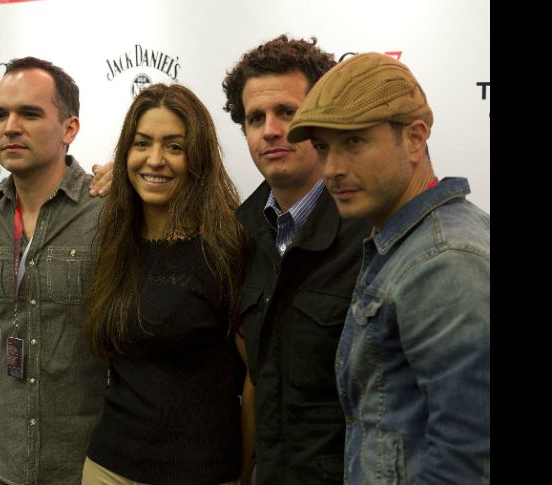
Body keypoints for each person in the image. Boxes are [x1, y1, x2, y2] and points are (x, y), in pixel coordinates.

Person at [287, 51, 490, 483]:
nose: (332, 169)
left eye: (354, 142)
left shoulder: (445, 260)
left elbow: (468, 460)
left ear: (415, 138)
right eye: (323, 147)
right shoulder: (406, 239)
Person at [221, 35, 372, 484]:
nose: (269, 130)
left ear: (322, 122)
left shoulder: (372, 233)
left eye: (287, 113)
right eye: (255, 118)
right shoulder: (241, 234)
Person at [81, 83, 249, 485]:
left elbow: (255, 376)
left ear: (199, 158)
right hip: (107, 467)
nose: (154, 160)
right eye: (142, 143)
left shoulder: (227, 248)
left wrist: (242, 474)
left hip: (199, 472)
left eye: (174, 146)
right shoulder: (113, 237)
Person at [0, 56, 108, 485]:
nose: (10, 126)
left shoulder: (109, 209)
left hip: (83, 462)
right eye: (0, 114)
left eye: (29, 114)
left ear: (69, 128)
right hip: (4, 459)